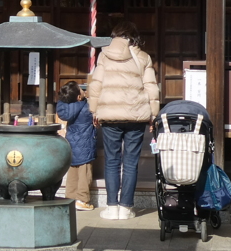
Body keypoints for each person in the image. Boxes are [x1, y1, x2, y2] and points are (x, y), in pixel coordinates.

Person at [87, 21, 160, 220]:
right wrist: (154, 114)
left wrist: (94, 110)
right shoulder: (143, 57)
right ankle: (126, 207)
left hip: (110, 116)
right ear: (134, 37)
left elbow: (96, 85)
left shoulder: (104, 55)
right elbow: (151, 88)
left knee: (111, 161)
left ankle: (111, 207)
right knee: (130, 162)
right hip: (136, 116)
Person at [56, 80, 96, 211]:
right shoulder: (85, 108)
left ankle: (70, 197)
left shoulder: (65, 107)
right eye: (81, 90)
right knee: (85, 173)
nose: (84, 91)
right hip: (85, 143)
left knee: (73, 170)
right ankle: (83, 200)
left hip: (72, 142)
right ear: (79, 97)